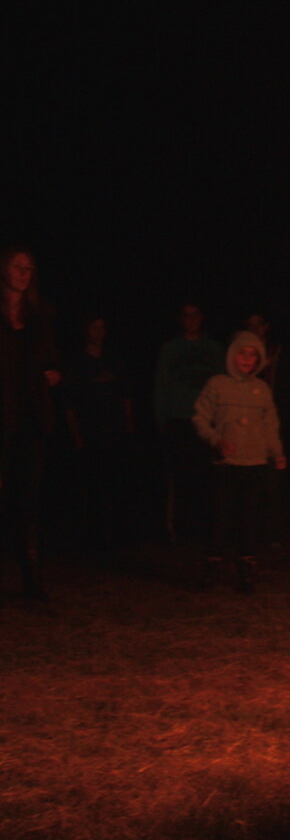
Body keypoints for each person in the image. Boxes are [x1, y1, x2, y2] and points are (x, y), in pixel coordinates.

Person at [192, 331, 286, 592]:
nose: (247, 359)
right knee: (220, 519)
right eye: (242, 353)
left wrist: (276, 452)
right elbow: (199, 417)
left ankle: (246, 572)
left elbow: (270, 425)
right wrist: (216, 440)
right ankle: (212, 571)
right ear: (232, 355)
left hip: (255, 464)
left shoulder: (262, 389)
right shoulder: (217, 384)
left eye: (253, 354)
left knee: (249, 520)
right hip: (226, 465)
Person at [1, 248, 59, 601]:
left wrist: (54, 374)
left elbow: (50, 359)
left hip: (30, 418)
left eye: (28, 268)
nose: (23, 272)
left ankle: (32, 581)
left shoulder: (41, 314)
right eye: (16, 266)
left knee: (28, 500)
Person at [62, 315, 137, 555]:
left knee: (116, 486)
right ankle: (93, 541)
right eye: (94, 327)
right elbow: (70, 405)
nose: (99, 332)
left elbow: (126, 396)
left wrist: (128, 426)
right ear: (86, 330)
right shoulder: (77, 365)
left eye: (102, 327)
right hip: (91, 434)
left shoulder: (114, 361)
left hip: (114, 433)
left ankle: (117, 539)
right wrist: (76, 436)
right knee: (93, 488)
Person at [155, 302, 223, 545]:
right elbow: (161, 384)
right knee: (180, 478)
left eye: (195, 315)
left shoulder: (213, 348)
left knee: (206, 477)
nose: (191, 319)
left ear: (201, 318)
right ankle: (180, 531)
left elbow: (220, 383)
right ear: (180, 319)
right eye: (186, 315)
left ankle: (205, 529)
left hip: (206, 421)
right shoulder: (171, 349)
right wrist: (163, 418)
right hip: (178, 419)